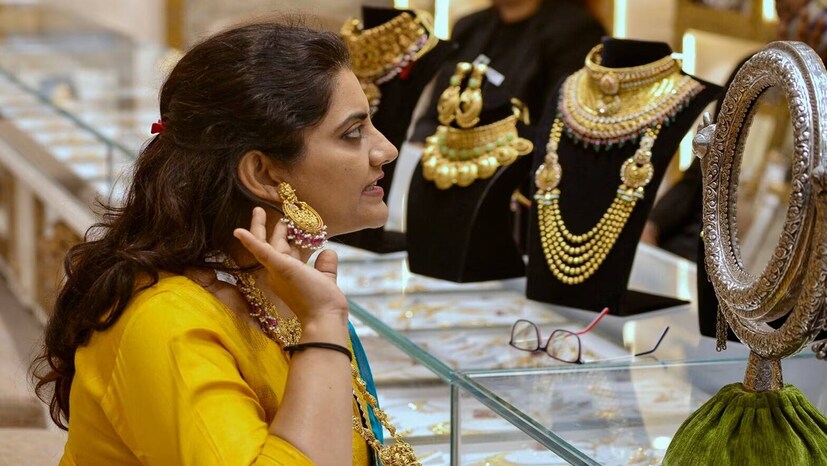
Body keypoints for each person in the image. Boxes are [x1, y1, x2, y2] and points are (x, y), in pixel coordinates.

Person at [31, 21, 418, 466]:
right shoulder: (164, 321)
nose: (386, 150)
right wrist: (324, 323)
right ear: (263, 174)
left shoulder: (280, 290)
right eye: (353, 133)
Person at [409, 0, 605, 143]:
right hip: (444, 162)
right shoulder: (468, 26)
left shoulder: (576, 31)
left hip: (518, 168)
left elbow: (555, 128)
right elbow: (435, 112)